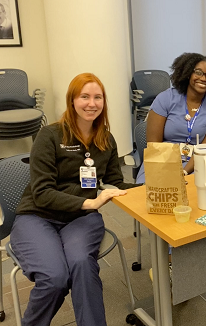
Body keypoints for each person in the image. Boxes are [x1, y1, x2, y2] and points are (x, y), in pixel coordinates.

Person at [11, 73, 139, 326]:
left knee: (82, 264)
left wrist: (156, 184)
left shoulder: (105, 139)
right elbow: (42, 192)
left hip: (80, 221)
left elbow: (116, 181)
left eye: (98, 97)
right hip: (38, 216)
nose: (92, 103)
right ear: (72, 100)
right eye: (85, 97)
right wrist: (90, 203)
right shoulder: (50, 135)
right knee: (54, 277)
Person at [135, 52, 206, 183]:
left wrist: (184, 172)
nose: (203, 78)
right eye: (198, 72)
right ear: (187, 73)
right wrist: (170, 173)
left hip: (197, 165)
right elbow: (154, 146)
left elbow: (205, 150)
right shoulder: (165, 99)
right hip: (161, 163)